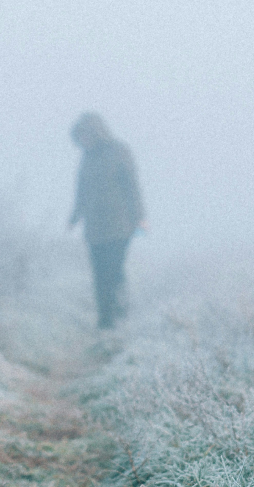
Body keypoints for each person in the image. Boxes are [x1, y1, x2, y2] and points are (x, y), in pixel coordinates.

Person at [68, 113, 147, 329]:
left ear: (96, 132)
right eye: (80, 137)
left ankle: (120, 317)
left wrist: (140, 218)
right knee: (99, 274)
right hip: (94, 228)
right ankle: (105, 321)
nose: (83, 141)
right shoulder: (86, 157)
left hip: (120, 226)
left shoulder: (119, 152)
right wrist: (75, 216)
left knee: (113, 271)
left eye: (85, 135)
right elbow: (81, 190)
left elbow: (132, 187)